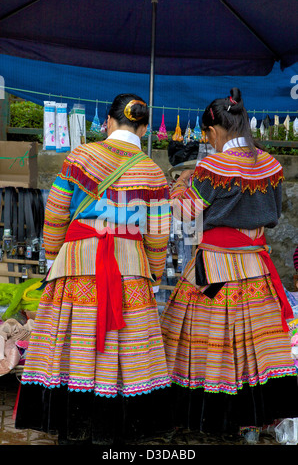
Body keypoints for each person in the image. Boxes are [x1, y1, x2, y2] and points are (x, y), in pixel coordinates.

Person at [15, 93, 172, 445]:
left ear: (109, 122)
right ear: (145, 127)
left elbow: (55, 209)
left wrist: (54, 256)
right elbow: (159, 234)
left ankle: (73, 425)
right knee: (124, 345)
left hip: (77, 259)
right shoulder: (153, 173)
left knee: (73, 343)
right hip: (130, 265)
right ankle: (113, 429)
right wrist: (155, 275)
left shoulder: (81, 156)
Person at [160, 88, 298, 443]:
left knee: (208, 343)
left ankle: (214, 418)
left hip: (214, 268)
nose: (209, 141)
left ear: (215, 130)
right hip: (255, 267)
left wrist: (177, 186)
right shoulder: (271, 164)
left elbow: (186, 211)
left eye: (207, 135)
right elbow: (275, 215)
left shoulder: (212, 165)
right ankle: (254, 423)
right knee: (257, 345)